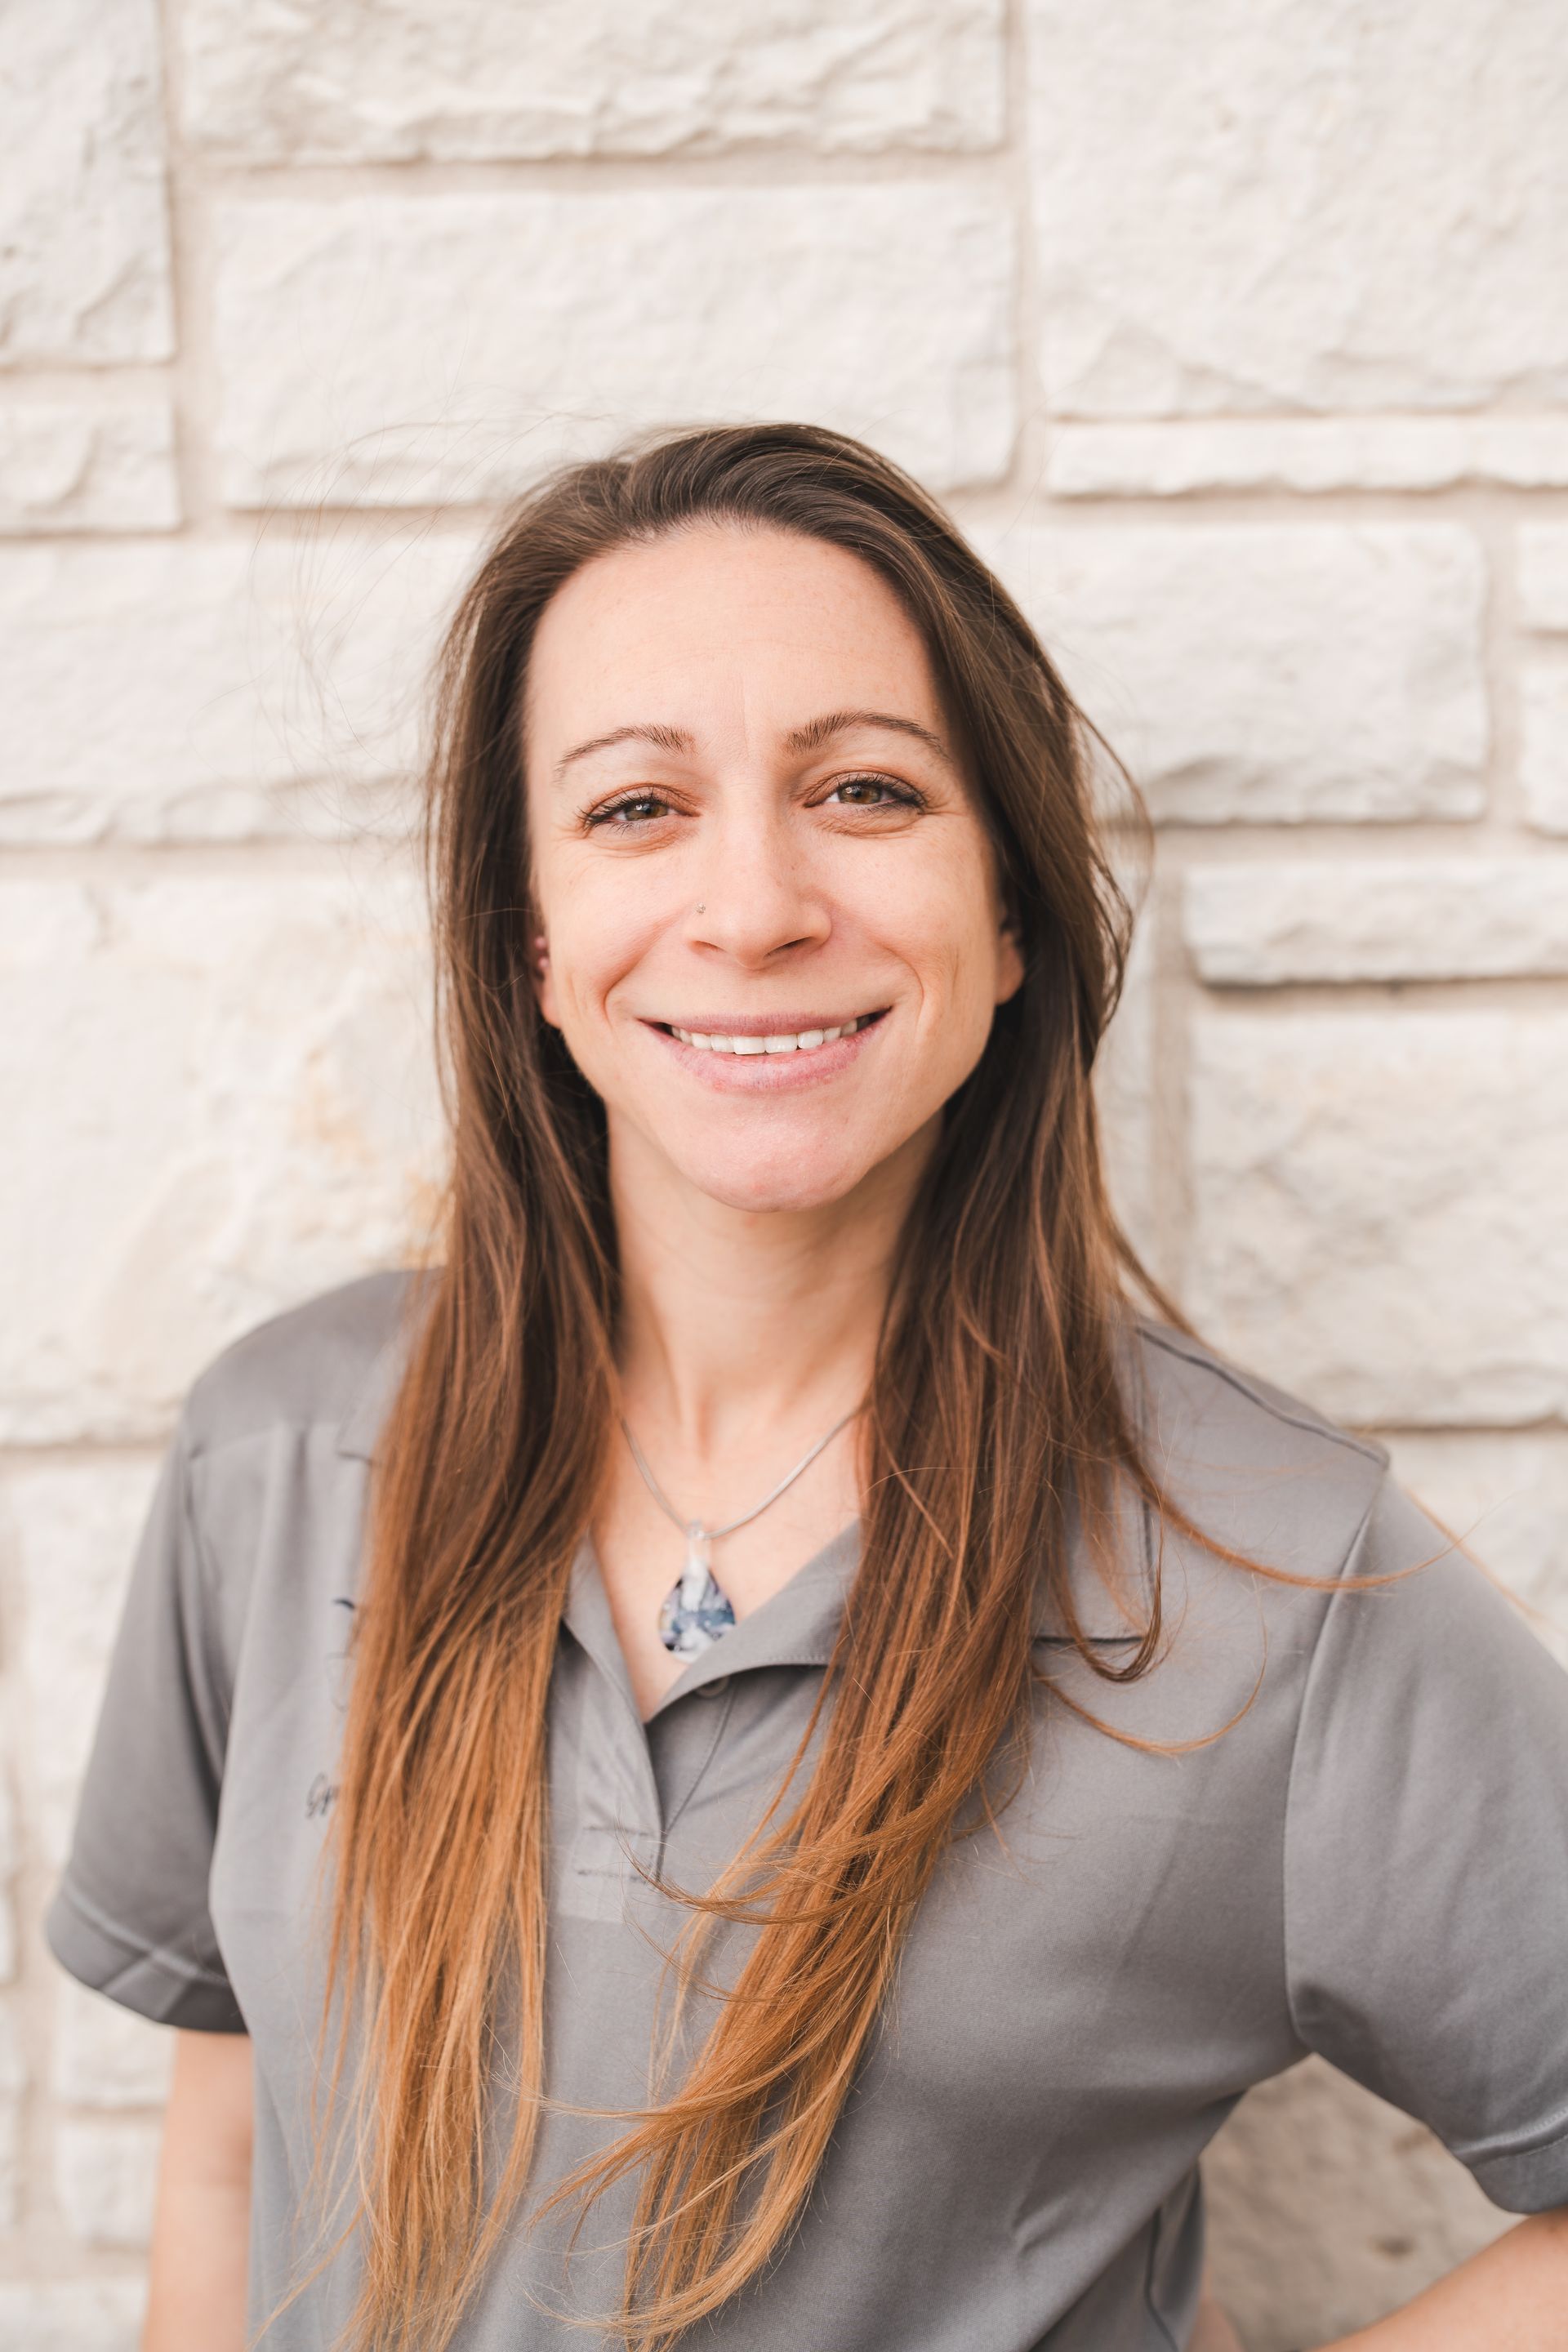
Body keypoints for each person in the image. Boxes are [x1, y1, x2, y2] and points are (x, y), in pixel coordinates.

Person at [48, 424, 1568, 2352]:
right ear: (528, 937)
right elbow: (227, 2146)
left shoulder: (1268, 1570)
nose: (753, 906)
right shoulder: (276, 1454)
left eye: (862, 790)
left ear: (1008, 915)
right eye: (635, 810)